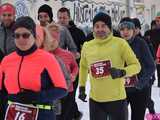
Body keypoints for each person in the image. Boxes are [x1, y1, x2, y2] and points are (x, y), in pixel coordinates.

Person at [0, 16, 67, 120]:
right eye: (16, 35)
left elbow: (62, 89)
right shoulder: (6, 60)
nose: (21, 39)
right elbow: (1, 91)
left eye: (25, 35)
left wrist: (37, 97)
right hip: (12, 114)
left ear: (34, 36)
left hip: (41, 114)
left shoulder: (48, 58)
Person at [78, 12, 141, 120]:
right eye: (97, 26)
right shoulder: (87, 46)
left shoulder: (120, 43)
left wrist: (122, 72)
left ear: (110, 28)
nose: (100, 29)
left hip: (117, 100)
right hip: (96, 100)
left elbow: (136, 66)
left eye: (103, 26)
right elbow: (83, 67)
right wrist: (82, 87)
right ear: (93, 29)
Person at [119, 19, 156, 120]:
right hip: (121, 89)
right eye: (122, 29)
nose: (125, 32)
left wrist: (141, 83)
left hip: (139, 90)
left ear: (134, 31)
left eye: (128, 29)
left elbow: (151, 66)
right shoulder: (116, 44)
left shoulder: (141, 43)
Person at [42, 22, 78, 120]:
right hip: (51, 92)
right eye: (50, 39)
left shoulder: (68, 54)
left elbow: (75, 66)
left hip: (68, 91)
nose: (53, 41)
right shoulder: (42, 55)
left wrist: (73, 75)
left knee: (66, 116)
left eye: (55, 38)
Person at [57, 7, 86, 119]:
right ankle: (75, 114)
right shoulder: (55, 30)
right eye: (60, 17)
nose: (62, 20)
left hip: (74, 69)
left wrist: (78, 54)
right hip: (58, 69)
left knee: (70, 95)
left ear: (69, 18)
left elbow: (85, 48)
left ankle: (70, 115)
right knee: (61, 95)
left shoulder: (78, 32)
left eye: (64, 17)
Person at [0, 3, 16, 119]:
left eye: (9, 15)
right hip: (1, 71)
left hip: (15, 71)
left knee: (12, 101)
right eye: (4, 15)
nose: (6, 17)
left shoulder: (19, 30)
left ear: (14, 15)